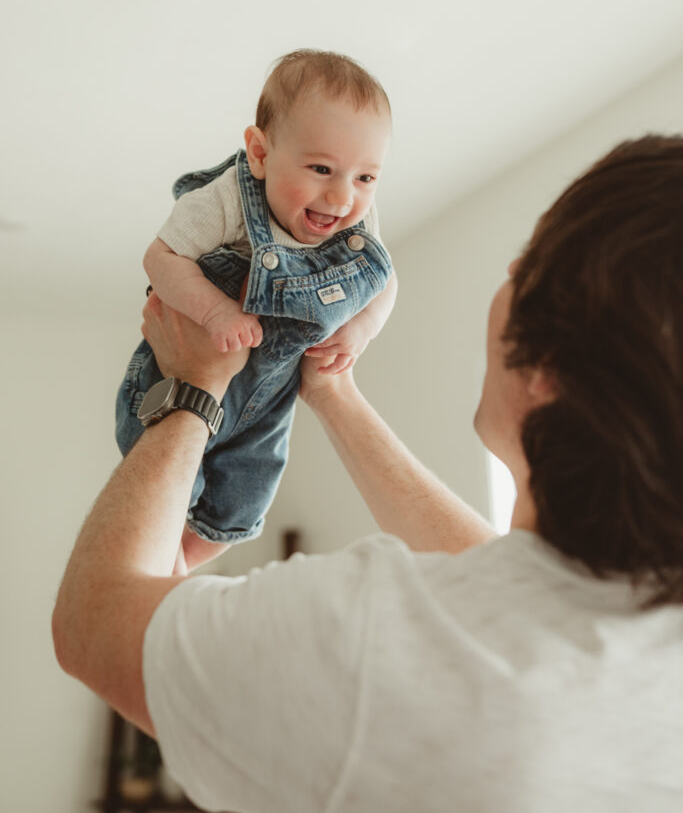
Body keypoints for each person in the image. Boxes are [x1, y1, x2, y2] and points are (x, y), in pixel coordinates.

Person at [53, 134, 683, 812]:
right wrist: (333, 394)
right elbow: (505, 584)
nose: (509, 270)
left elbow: (95, 621)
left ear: (550, 371)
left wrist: (195, 388)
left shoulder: (369, 649)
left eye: (529, 265)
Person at [115, 49, 397, 570]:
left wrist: (362, 329)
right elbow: (161, 257)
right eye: (321, 168)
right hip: (175, 386)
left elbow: (384, 281)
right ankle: (163, 574)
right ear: (260, 154)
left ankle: (180, 569)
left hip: (265, 409)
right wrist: (216, 313)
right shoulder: (226, 201)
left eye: (366, 178)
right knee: (166, 500)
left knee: (241, 513)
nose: (342, 196)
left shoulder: (357, 229)